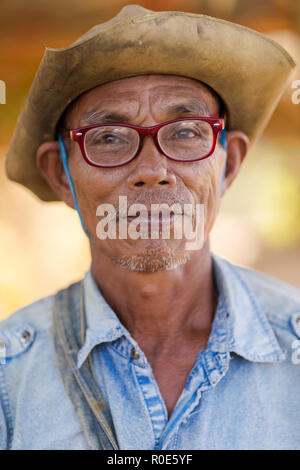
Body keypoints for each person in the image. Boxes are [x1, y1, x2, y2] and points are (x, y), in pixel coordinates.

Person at [1, 5, 300, 450]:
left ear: (229, 164)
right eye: (108, 138)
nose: (153, 169)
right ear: (61, 175)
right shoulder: (10, 374)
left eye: (185, 131)